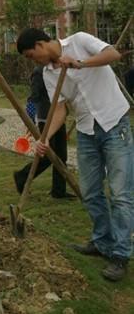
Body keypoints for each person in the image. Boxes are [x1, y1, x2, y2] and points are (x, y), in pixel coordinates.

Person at [16, 28, 133, 282]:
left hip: (114, 124)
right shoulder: (48, 73)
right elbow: (60, 110)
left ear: (40, 44)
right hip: (86, 130)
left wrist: (79, 63)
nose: (32, 60)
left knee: (121, 194)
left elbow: (113, 54)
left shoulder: (79, 41)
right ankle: (102, 242)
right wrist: (44, 137)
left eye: (30, 54)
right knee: (91, 192)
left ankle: (121, 255)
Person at [13, 65, 75, 199]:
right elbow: (33, 98)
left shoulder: (57, 68)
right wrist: (30, 122)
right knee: (47, 156)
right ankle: (21, 176)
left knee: (61, 156)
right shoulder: (38, 72)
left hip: (59, 119)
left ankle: (58, 191)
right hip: (45, 120)